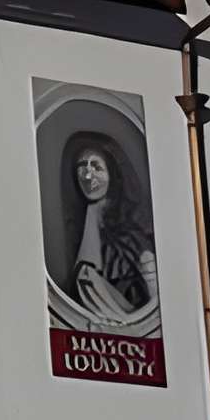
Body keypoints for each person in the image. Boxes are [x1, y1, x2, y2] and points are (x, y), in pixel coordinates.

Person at [57, 136, 156, 323]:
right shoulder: (89, 219)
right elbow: (85, 275)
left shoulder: (135, 233)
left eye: (96, 167)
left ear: (113, 172)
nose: (87, 176)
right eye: (82, 168)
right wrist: (93, 212)